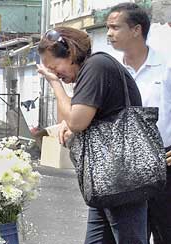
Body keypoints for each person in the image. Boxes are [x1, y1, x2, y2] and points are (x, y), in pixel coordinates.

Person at [37, 26, 147, 243]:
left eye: (54, 66)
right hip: (105, 178)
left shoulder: (97, 66)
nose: (54, 72)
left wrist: (55, 84)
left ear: (70, 53)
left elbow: (76, 122)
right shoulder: (90, 71)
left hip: (121, 175)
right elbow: (69, 120)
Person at [106, 3, 171, 243]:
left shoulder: (166, 66)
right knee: (131, 235)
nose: (109, 33)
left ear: (136, 30)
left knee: (165, 230)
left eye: (115, 27)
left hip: (164, 163)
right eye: (108, 27)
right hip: (124, 167)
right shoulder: (110, 68)